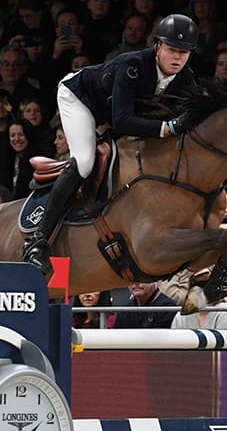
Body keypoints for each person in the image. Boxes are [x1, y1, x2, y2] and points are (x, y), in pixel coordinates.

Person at [21, 14, 201, 275]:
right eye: (173, 50)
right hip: (80, 99)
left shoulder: (187, 81)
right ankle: (37, 241)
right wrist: (168, 127)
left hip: (110, 114)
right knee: (84, 161)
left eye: (184, 53)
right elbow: (124, 121)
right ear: (158, 46)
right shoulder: (134, 65)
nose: (178, 58)